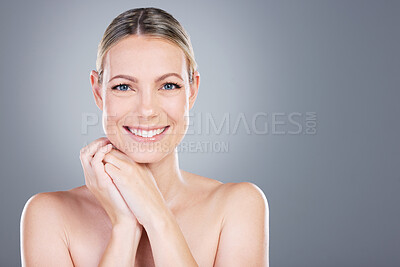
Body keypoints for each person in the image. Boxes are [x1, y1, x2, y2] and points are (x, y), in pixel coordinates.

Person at [20, 7, 269, 267]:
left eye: (168, 85)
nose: (147, 110)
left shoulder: (237, 206)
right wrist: (124, 227)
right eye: (124, 86)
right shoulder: (50, 216)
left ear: (192, 90)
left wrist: (156, 215)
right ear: (98, 92)